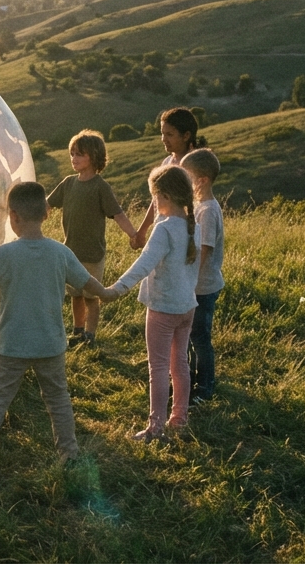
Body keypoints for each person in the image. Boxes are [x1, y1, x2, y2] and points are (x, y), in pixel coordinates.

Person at [0, 181, 118, 481]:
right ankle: (70, 456)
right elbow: (88, 283)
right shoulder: (60, 253)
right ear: (47, 213)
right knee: (58, 400)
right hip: (50, 344)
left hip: (12, 345)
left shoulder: (4, 255)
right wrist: (107, 293)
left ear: (12, 216)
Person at [109, 165, 201, 444]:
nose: (153, 203)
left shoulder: (164, 230)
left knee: (158, 368)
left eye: (154, 196)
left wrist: (117, 288)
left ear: (165, 196)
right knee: (180, 364)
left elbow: (143, 264)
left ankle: (155, 428)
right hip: (187, 306)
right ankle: (180, 418)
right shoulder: (191, 225)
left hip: (163, 308)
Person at [47, 129, 138, 347]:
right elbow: (46, 206)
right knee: (76, 295)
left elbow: (118, 214)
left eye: (79, 154)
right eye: (72, 154)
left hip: (93, 254)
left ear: (94, 157)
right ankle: (77, 331)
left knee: (91, 297)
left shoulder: (100, 187)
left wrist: (134, 235)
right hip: (71, 253)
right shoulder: (68, 183)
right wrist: (24, 221)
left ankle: (90, 335)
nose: (73, 159)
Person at [180, 148, 224, 404]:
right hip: (196, 285)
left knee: (199, 337)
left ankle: (205, 387)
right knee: (191, 335)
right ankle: (190, 380)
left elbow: (204, 250)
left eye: (187, 176)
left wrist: (189, 281)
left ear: (202, 180)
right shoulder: (199, 206)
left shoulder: (207, 210)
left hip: (202, 287)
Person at [133, 107, 207, 247]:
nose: (163, 139)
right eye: (162, 133)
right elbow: (156, 199)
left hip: (185, 234)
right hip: (163, 229)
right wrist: (142, 230)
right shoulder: (167, 163)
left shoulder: (196, 167)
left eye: (169, 134)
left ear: (186, 136)